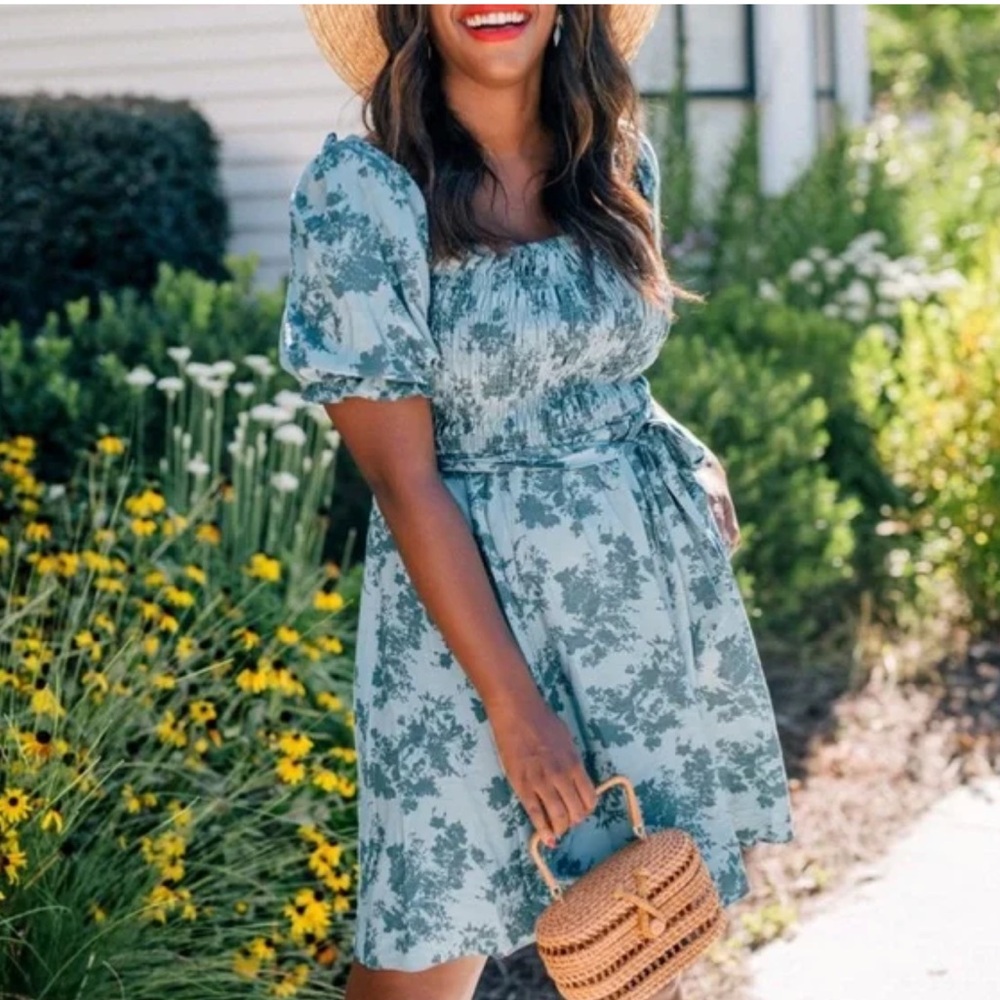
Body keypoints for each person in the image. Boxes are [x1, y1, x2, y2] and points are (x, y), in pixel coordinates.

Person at [280, 6, 795, 1000]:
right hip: (466, 642)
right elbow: (404, 479)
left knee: (635, 934)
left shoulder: (613, 164)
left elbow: (597, 376)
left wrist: (676, 442)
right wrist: (519, 714)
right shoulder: (363, 196)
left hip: (631, 615)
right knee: (420, 964)